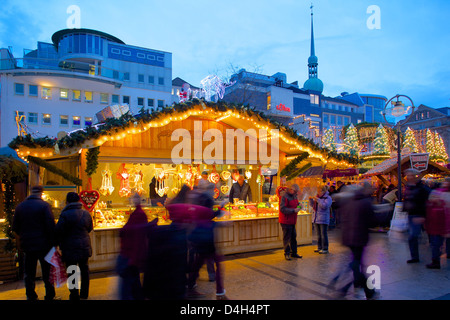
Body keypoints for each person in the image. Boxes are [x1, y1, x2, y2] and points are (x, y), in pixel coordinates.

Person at [330, 182, 378, 300]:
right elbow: (373, 222)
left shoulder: (347, 203)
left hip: (348, 237)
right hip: (359, 238)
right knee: (356, 264)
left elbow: (342, 219)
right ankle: (363, 290)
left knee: (356, 263)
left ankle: (357, 288)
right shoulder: (365, 203)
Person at [12, 185, 56, 301]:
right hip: (44, 245)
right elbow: (50, 226)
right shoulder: (45, 206)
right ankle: (50, 295)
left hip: (28, 244)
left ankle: (31, 295)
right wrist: (53, 243)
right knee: (47, 272)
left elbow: (15, 227)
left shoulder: (20, 207)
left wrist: (20, 242)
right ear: (41, 193)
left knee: (29, 272)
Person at [55, 192, 93, 300]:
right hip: (83, 245)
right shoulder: (86, 214)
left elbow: (59, 230)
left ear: (67, 201)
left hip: (69, 246)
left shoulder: (64, 214)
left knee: (72, 271)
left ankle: (74, 294)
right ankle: (84, 294)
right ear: (78, 200)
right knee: (84, 270)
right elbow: (90, 228)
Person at [116, 193, 150, 299]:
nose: (132, 200)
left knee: (127, 288)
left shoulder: (138, 214)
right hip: (131, 255)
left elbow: (137, 238)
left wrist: (133, 259)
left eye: (134, 199)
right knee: (134, 284)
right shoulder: (137, 213)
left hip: (130, 255)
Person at [403, 168, 431, 263]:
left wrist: (422, 215)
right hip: (411, 214)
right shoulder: (408, 187)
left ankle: (433, 253)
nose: (408, 177)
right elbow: (407, 199)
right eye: (408, 175)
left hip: (418, 215)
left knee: (413, 236)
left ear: (416, 176)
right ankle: (414, 256)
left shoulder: (422, 188)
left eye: (410, 175)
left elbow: (425, 202)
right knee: (412, 236)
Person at [424, 178, 450, 269]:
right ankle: (436, 261)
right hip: (436, 225)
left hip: (441, 225)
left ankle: (437, 260)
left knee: (437, 244)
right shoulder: (437, 194)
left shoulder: (440, 198)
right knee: (436, 244)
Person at [279, 184, 302, 260]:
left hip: (292, 220)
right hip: (285, 220)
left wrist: (299, 205)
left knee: (293, 237)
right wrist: (293, 210)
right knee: (287, 237)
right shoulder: (284, 196)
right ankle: (287, 253)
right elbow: (282, 209)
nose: (296, 194)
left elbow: (296, 204)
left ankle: (294, 252)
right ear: (291, 190)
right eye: (295, 192)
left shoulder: (294, 196)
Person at [312, 186, 333, 254]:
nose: (318, 192)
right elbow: (313, 206)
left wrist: (318, 200)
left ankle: (325, 248)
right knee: (318, 234)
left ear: (324, 191)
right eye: (318, 191)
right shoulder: (318, 197)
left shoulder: (328, 198)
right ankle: (319, 247)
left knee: (323, 234)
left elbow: (325, 206)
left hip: (323, 218)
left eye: (320, 191)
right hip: (316, 218)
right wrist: (311, 200)